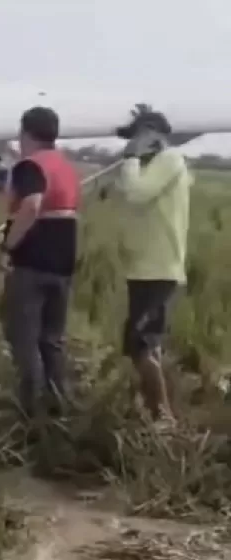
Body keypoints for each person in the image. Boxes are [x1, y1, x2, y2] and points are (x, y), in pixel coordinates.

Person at [112, 108, 193, 426]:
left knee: (140, 343)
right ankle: (149, 409)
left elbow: (136, 194)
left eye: (135, 136)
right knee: (145, 344)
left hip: (159, 269)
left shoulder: (170, 160)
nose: (130, 144)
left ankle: (164, 417)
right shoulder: (154, 166)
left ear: (151, 135)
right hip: (143, 269)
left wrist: (132, 158)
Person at [0, 106, 80, 420]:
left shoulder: (30, 166)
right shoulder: (66, 166)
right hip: (63, 263)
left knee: (23, 336)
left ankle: (29, 411)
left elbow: (31, 206)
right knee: (52, 340)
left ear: (26, 133)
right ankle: (58, 407)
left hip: (32, 262)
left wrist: (8, 247)